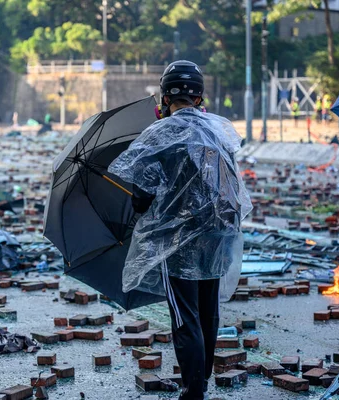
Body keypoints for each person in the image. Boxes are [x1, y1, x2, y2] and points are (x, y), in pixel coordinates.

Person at [109, 60, 252, 400]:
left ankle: (193, 391)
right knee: (208, 311)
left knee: (184, 315)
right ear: (200, 97)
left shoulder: (158, 134)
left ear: (164, 98)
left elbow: (142, 196)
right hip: (218, 233)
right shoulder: (219, 130)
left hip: (179, 242)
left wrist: (141, 203)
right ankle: (200, 384)